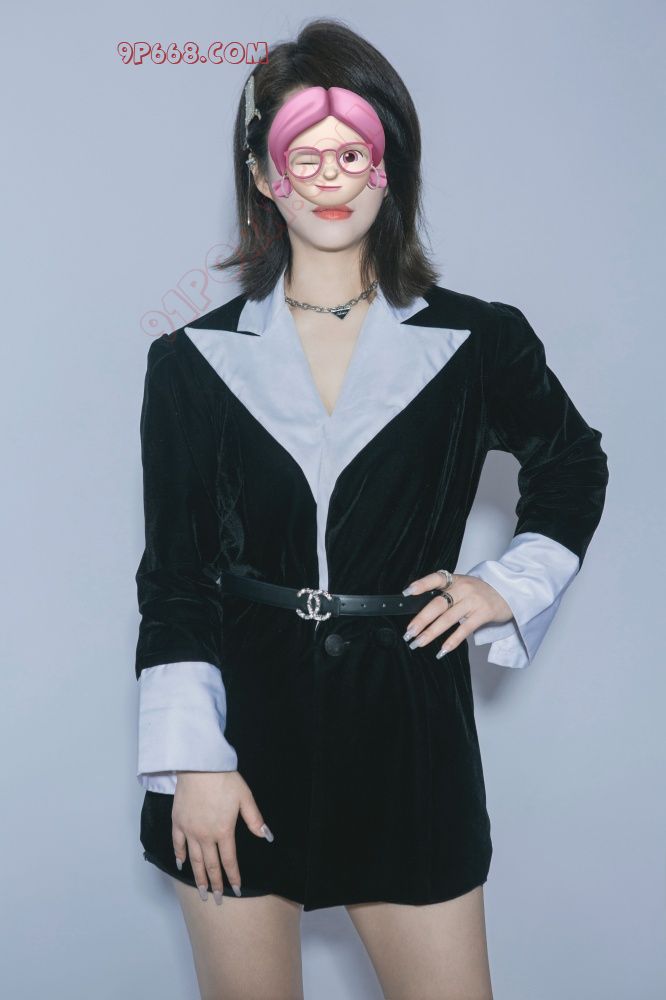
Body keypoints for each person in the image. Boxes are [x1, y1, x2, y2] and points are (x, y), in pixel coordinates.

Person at [133, 19, 609, 1000]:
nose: (329, 179)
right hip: (239, 738)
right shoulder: (188, 362)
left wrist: (507, 585)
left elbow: (572, 462)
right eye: (301, 157)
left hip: (409, 733)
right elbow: (176, 573)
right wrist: (193, 763)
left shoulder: (482, 341)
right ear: (264, 177)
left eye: (352, 154)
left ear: (389, 167)